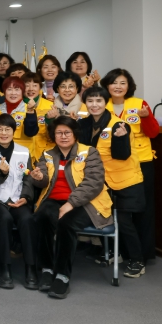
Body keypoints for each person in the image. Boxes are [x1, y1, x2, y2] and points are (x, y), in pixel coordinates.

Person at [33, 116, 113, 299]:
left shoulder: (89, 152)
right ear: (53, 135)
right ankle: (46, 269)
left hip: (86, 202)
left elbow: (94, 182)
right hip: (54, 200)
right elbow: (43, 180)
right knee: (40, 218)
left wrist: (70, 204)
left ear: (75, 134)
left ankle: (62, 276)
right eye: (59, 133)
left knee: (67, 223)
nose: (63, 136)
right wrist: (39, 178)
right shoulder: (47, 154)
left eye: (67, 132)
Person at [80, 86, 146, 277]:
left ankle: (137, 260)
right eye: (90, 101)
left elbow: (123, 155)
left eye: (99, 101)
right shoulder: (84, 124)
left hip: (124, 181)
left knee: (123, 222)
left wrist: (120, 139)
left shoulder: (119, 125)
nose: (94, 105)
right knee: (102, 217)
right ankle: (115, 253)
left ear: (105, 102)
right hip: (101, 181)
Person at [101, 69, 159, 263]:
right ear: (107, 85)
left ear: (129, 86)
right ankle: (121, 252)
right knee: (118, 211)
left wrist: (146, 117)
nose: (118, 86)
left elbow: (153, 133)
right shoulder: (100, 104)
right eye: (113, 82)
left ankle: (145, 253)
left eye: (122, 83)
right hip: (112, 166)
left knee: (144, 209)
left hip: (141, 163)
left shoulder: (140, 104)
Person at [0, 113, 46, 290]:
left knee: (27, 219)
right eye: (0, 129)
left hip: (18, 198)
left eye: (8, 129)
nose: (4, 133)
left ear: (14, 131)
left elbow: (28, 178)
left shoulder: (23, 151)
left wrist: (26, 197)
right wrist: (1, 173)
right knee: (4, 220)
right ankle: (5, 268)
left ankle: (31, 268)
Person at [0, 76, 39, 153]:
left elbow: (31, 132)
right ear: (4, 92)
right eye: (9, 89)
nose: (13, 93)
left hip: (22, 155)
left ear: (22, 92)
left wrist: (30, 111)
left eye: (17, 89)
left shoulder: (29, 109)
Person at [24, 72, 54, 160]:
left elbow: (55, 133)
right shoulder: (18, 106)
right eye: (27, 85)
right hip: (24, 152)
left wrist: (50, 120)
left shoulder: (50, 105)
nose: (31, 89)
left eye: (35, 85)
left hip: (45, 152)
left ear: (40, 87)